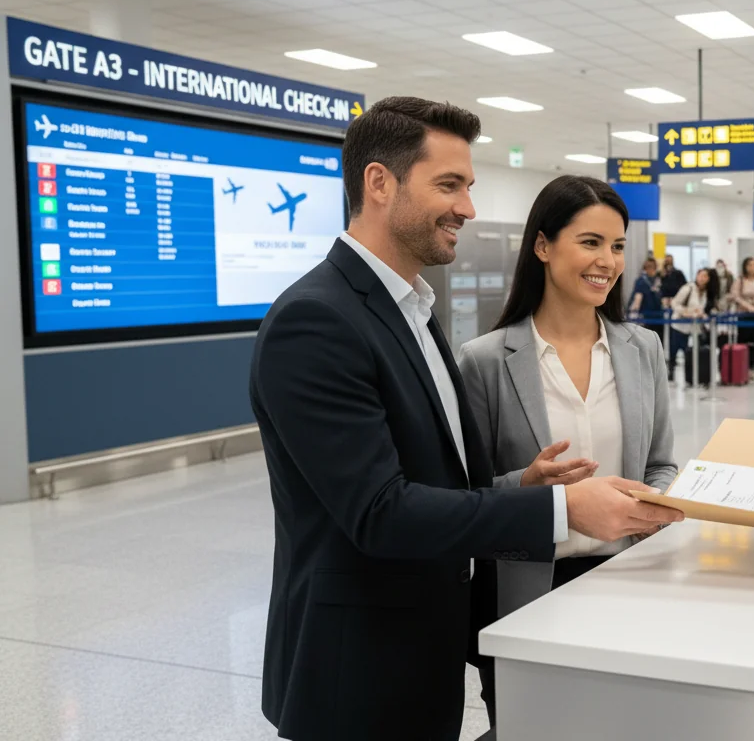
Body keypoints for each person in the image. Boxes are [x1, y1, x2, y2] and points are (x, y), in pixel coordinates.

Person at [249, 97, 683, 741]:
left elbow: (447, 488)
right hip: (356, 669)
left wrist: (522, 487)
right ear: (379, 183)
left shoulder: (412, 312)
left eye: (469, 187)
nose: (468, 208)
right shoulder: (317, 319)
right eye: (449, 185)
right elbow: (380, 512)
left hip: (423, 652)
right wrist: (565, 512)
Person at [458, 175, 682, 728]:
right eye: (590, 242)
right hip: (528, 589)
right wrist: (524, 486)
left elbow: (661, 460)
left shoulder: (642, 349)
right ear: (542, 246)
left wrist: (657, 502)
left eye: (618, 245)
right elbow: (463, 496)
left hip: (626, 581)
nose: (607, 260)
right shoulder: (485, 360)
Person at [669, 267, 719, 378]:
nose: (702, 278)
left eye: (705, 276)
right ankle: (670, 373)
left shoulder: (705, 293)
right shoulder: (688, 288)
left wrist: (702, 314)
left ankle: (692, 376)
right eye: (700, 275)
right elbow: (675, 303)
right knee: (674, 352)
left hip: (694, 327)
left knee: (692, 353)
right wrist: (686, 312)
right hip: (680, 325)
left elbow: (701, 308)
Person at [730, 256, 754, 367]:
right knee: (743, 338)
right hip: (743, 314)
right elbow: (736, 296)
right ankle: (742, 363)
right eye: (750, 265)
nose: (753, 267)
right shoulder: (740, 280)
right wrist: (749, 307)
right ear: (745, 267)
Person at [627, 257, 664, 340]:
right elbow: (637, 299)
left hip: (656, 315)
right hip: (647, 316)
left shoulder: (657, 280)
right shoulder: (643, 281)